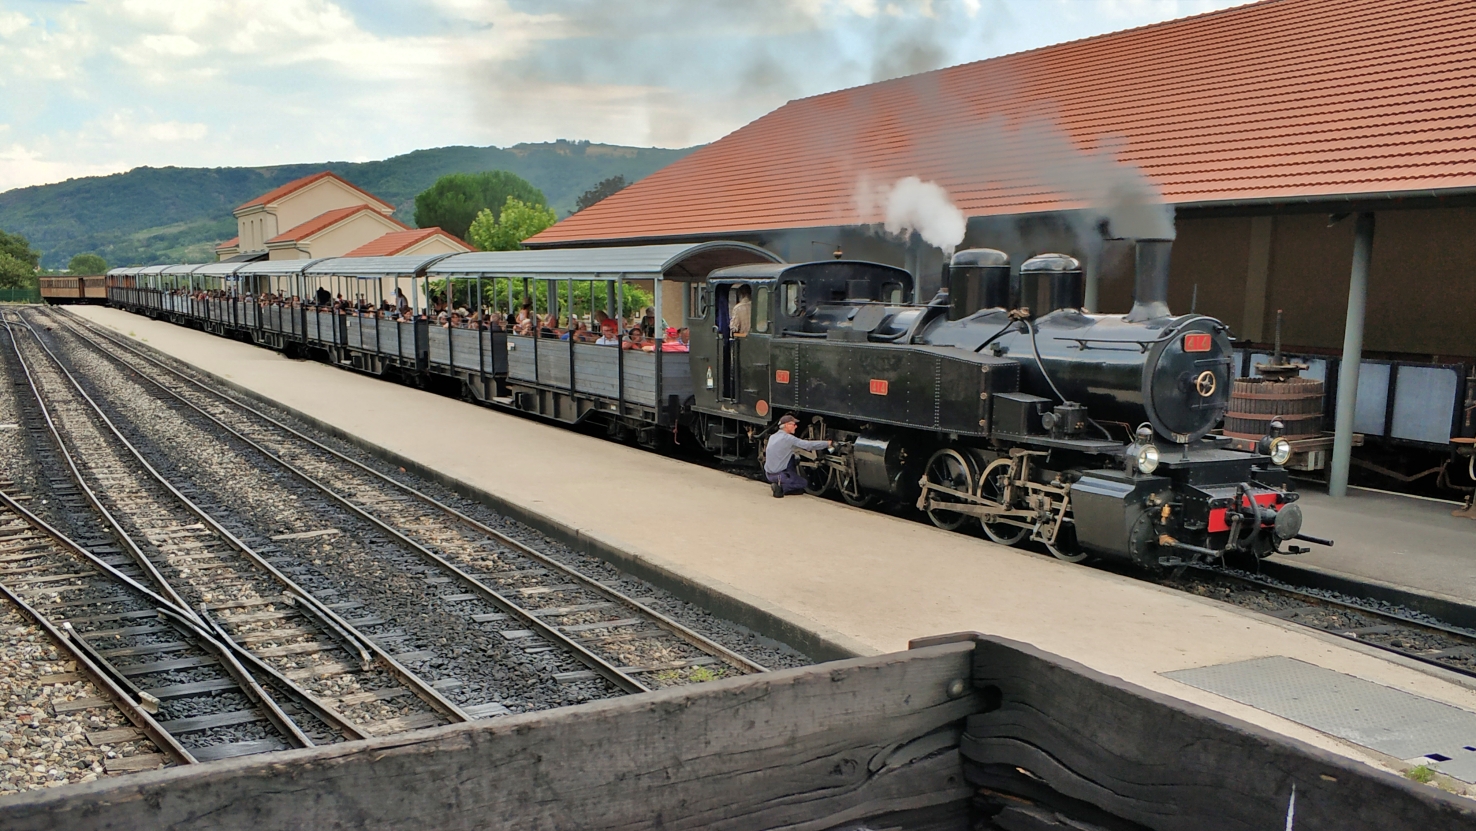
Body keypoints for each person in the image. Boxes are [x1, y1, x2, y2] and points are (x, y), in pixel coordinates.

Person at [764, 414, 832, 498]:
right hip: (780, 475)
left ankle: (785, 480)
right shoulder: (789, 438)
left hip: (768, 474)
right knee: (803, 483)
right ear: (786, 425)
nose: (796, 427)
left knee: (793, 457)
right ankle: (781, 488)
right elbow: (808, 445)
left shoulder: (772, 437)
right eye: (793, 424)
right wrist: (827, 443)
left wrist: (796, 456)